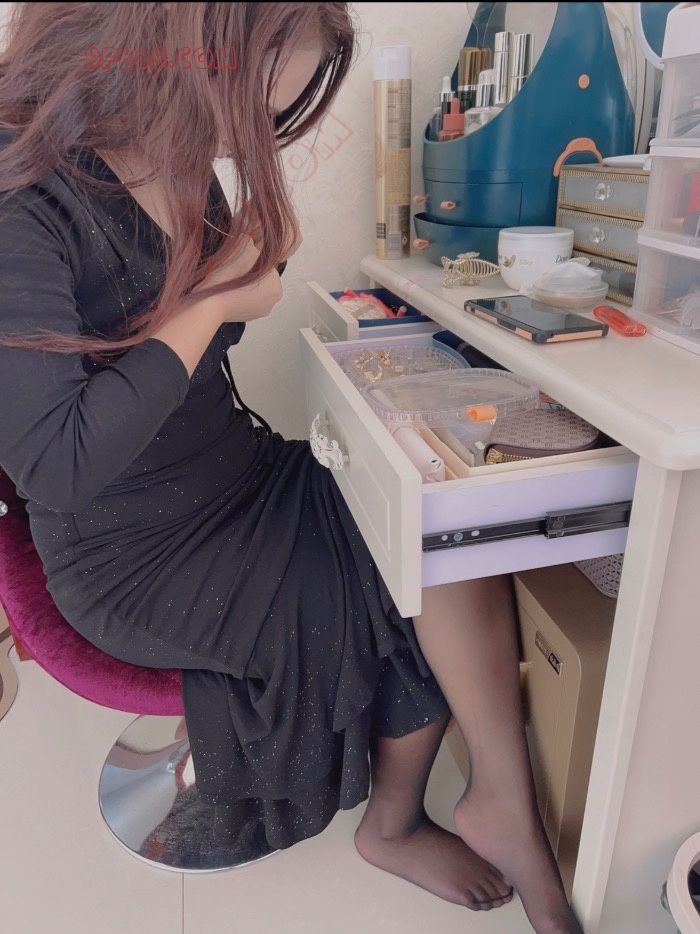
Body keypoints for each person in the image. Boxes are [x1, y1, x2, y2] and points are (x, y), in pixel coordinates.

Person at [0, 5, 582, 932]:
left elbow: (200, 342)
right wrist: (216, 296)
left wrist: (233, 278)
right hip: (135, 550)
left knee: (434, 512)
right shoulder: (21, 187)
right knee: (368, 589)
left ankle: (496, 800)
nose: (255, 133)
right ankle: (394, 825)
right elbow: (58, 463)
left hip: (238, 476)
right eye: (247, 103)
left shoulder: (174, 156)